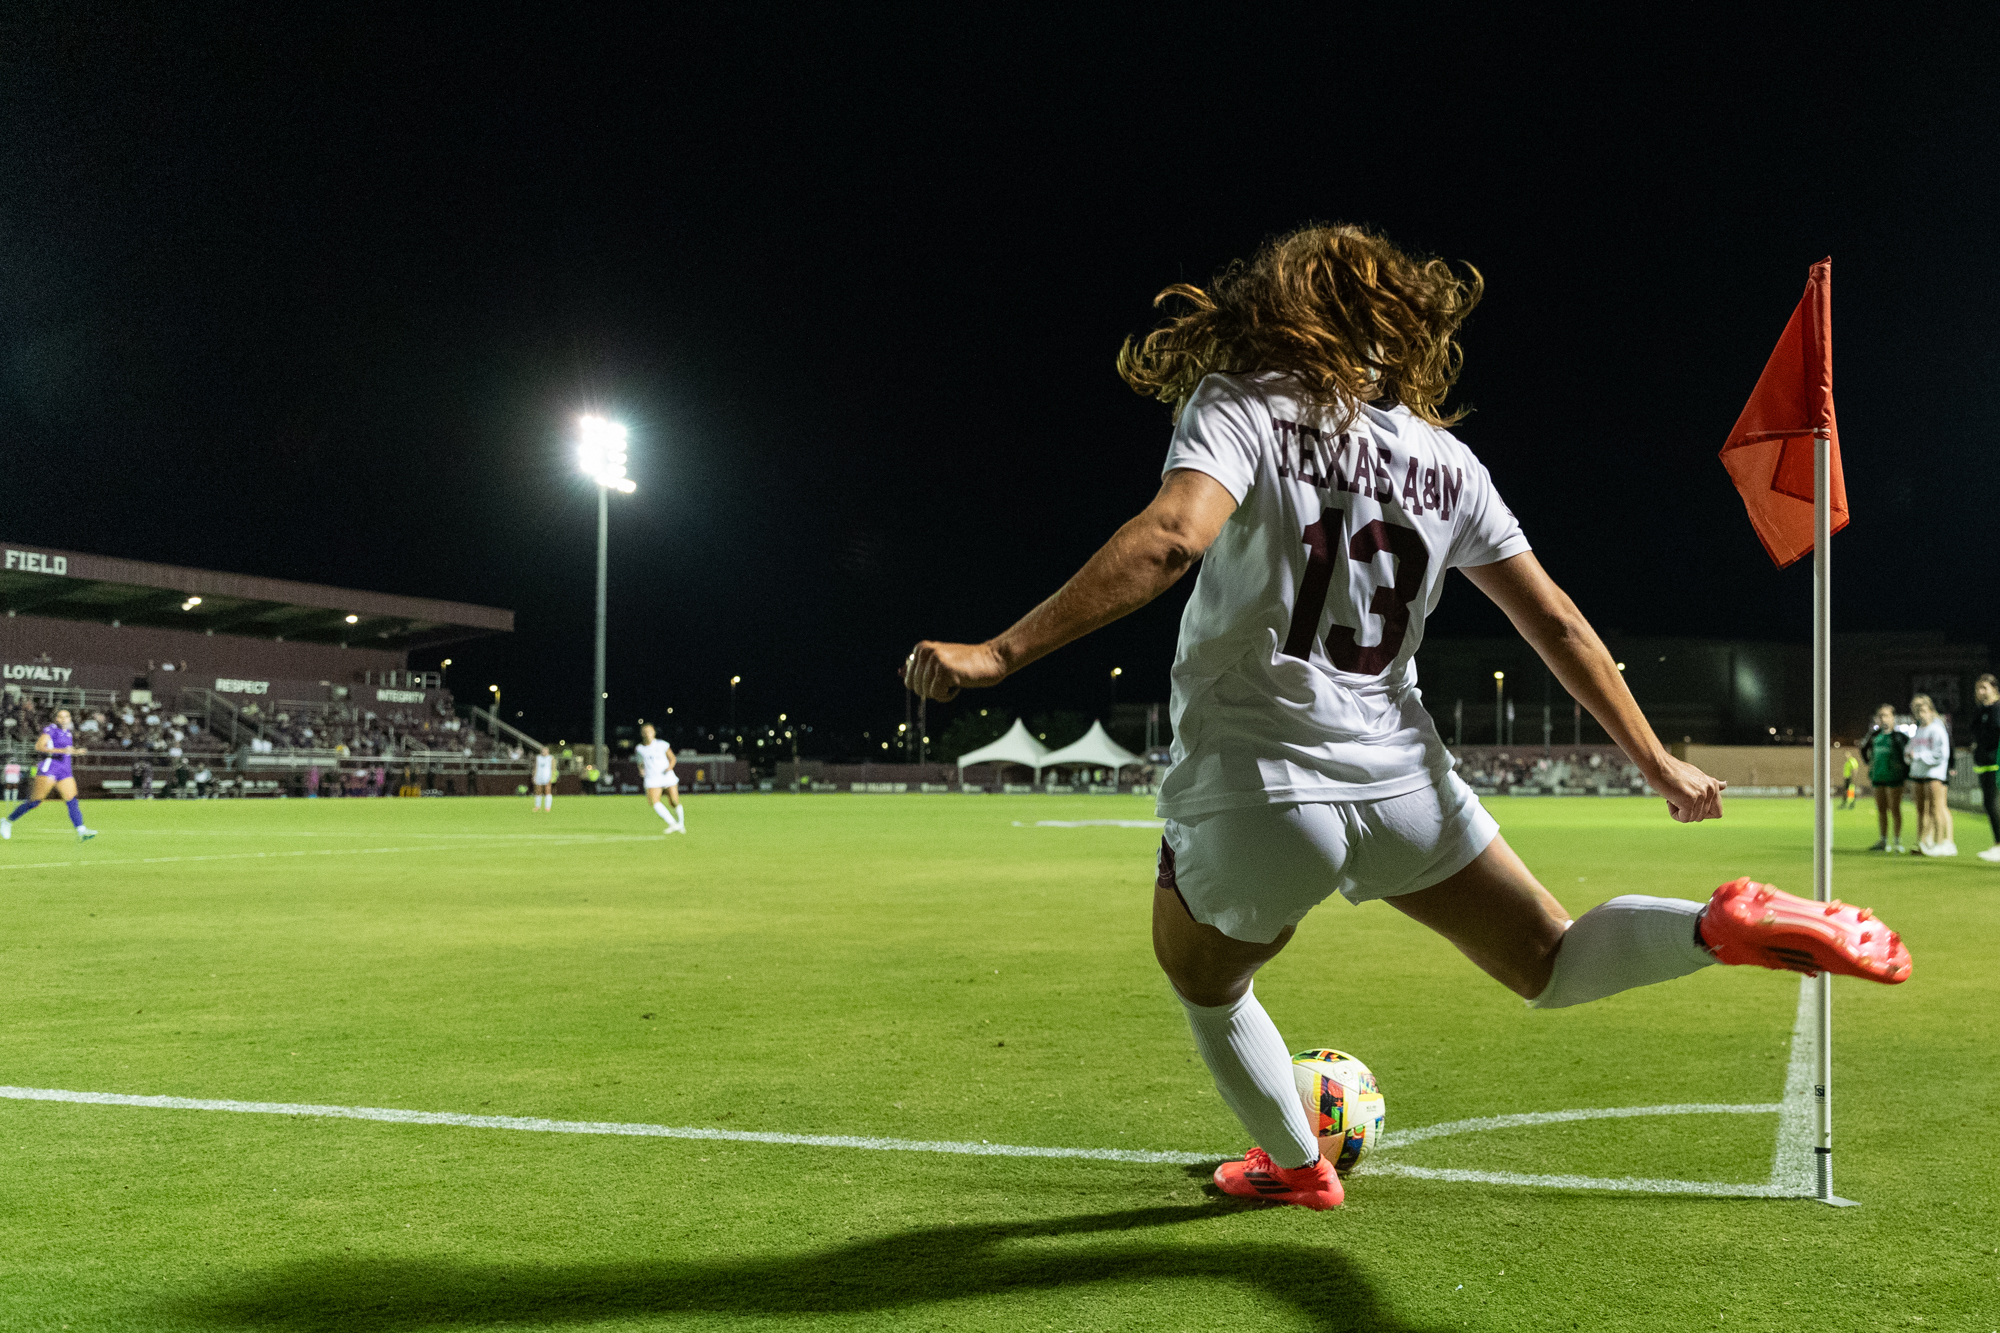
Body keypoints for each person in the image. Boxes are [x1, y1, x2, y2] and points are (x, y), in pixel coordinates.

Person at [900, 224, 1911, 1211]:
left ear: (1284, 310)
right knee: (1548, 961)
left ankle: (1295, 1165)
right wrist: (1654, 760)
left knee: (1204, 981)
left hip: (1258, 786)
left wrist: (998, 653)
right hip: (1403, 783)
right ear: (1394, 332)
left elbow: (1171, 537)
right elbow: (1555, 622)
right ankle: (1715, 925)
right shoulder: (1444, 460)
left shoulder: (1242, 404)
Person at [2, 707, 98, 841]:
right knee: (35, 801)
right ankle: (7, 821)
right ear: (56, 718)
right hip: (50, 767)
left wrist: (75, 752)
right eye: (61, 717)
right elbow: (39, 747)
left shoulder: (68, 733)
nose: (64, 719)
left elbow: (67, 751)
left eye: (67, 717)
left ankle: (81, 831)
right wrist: (62, 751)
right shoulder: (51, 729)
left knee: (72, 799)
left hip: (64, 770)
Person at [1906, 693, 1955, 856]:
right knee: (1921, 810)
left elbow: (1942, 754)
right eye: (1919, 711)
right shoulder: (1918, 730)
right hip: (1918, 774)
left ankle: (1941, 842)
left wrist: (1918, 756)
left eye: (1925, 711)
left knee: (1937, 808)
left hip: (1934, 773)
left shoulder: (1938, 729)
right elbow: (1910, 748)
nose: (1921, 714)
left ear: (1931, 711)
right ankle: (1923, 841)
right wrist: (1908, 755)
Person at [1861, 704, 1911, 852]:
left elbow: (1907, 756)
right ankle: (1883, 841)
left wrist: (1904, 773)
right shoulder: (1874, 736)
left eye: (1887, 715)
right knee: (1881, 809)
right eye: (1881, 715)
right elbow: (1863, 750)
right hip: (1878, 776)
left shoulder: (1899, 737)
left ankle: (1897, 842)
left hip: (1894, 778)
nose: (1884, 719)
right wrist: (1870, 764)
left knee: (1895, 809)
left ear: (1893, 717)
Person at [1971, 674, 2000, 863]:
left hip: (1996, 761)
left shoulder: (1997, 709)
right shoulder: (1982, 710)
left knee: (1995, 803)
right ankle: (1997, 843)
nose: (1981, 692)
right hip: (1984, 763)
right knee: (1989, 804)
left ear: (1994, 689)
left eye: (1985, 688)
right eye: (1978, 688)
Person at [634, 725, 684, 833]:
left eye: (650, 731)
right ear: (642, 734)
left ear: (654, 733)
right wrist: (641, 770)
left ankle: (681, 824)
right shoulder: (640, 749)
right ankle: (672, 823)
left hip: (666, 776)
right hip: (652, 778)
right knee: (654, 802)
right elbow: (640, 763)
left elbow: (672, 758)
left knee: (674, 801)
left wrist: (669, 767)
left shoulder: (662, 745)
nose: (648, 734)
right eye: (645, 732)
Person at [530, 744, 556, 812]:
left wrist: (552, 776)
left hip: (547, 776)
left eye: (545, 751)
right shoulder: (538, 758)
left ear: (548, 751)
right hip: (539, 776)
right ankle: (537, 806)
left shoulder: (551, 758)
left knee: (547, 791)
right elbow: (535, 767)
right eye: (542, 751)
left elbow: (553, 768)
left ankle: (547, 807)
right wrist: (534, 776)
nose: (543, 752)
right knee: (538, 791)